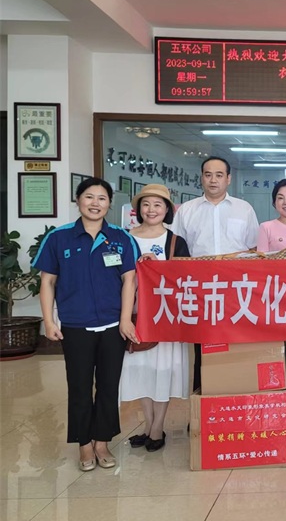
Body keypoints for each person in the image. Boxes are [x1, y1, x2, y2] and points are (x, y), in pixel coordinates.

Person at [32, 177, 140, 472]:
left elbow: (129, 280)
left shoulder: (121, 237)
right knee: (79, 387)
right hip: (76, 325)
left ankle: (102, 442)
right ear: (78, 200)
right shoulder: (59, 238)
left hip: (112, 326)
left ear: (109, 203)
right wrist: (48, 321)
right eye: (89, 197)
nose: (95, 203)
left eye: (102, 198)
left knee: (108, 386)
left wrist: (125, 319)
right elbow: (47, 282)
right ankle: (84, 445)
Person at [171, 156, 259, 391]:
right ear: (201, 177)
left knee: (238, 343)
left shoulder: (244, 209)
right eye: (208, 174)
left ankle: (238, 394)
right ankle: (204, 397)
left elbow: (253, 249)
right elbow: (177, 250)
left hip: (237, 289)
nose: (213, 180)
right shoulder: (186, 210)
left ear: (228, 179)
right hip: (201, 290)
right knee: (204, 347)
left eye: (219, 175)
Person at [120, 184, 191, 453]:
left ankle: (158, 427)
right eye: (146, 204)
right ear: (138, 209)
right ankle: (149, 425)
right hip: (134, 316)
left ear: (167, 210)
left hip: (165, 318)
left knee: (163, 371)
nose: (151, 210)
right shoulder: (125, 238)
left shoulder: (175, 242)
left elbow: (185, 279)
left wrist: (159, 268)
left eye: (158, 205)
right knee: (141, 370)